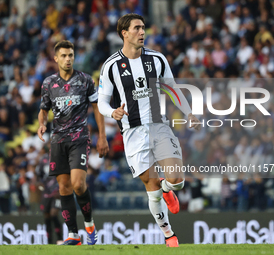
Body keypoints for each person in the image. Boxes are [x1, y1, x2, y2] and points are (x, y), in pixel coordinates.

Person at [98, 14, 200, 247]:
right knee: (151, 187)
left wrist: (189, 113)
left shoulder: (157, 59)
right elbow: (102, 101)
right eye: (137, 28)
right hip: (132, 133)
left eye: (143, 28)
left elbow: (172, 89)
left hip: (159, 125)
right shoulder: (111, 66)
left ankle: (168, 189)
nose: (142, 32)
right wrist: (111, 112)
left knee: (176, 180)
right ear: (124, 33)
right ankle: (168, 235)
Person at [38, 40, 109, 246]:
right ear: (56, 58)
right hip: (58, 140)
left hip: (79, 138)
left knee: (78, 184)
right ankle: (73, 234)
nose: (68, 59)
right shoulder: (48, 83)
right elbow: (43, 109)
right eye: (64, 56)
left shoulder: (85, 80)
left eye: (71, 55)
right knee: (64, 188)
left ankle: (89, 224)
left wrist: (102, 136)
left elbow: (97, 107)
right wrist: (42, 124)